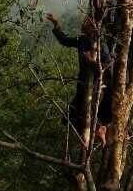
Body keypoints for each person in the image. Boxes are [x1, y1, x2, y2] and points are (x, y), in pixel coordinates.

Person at [46, 12, 112, 145]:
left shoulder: (101, 44)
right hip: (82, 85)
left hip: (96, 87)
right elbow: (65, 40)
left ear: (94, 27)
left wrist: (93, 62)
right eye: (85, 22)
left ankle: (99, 130)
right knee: (68, 117)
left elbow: (107, 67)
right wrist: (56, 24)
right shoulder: (81, 40)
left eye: (87, 23)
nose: (83, 24)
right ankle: (92, 132)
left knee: (89, 111)